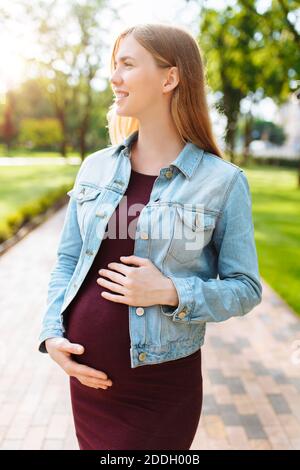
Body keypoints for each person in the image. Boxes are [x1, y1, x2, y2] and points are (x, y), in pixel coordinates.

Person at [38, 23, 262, 450]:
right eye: (114, 65)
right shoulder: (96, 167)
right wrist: (52, 334)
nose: (114, 77)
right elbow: (67, 262)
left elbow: (246, 288)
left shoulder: (223, 182)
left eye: (127, 64)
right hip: (89, 382)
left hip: (160, 389)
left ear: (170, 78)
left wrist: (171, 291)